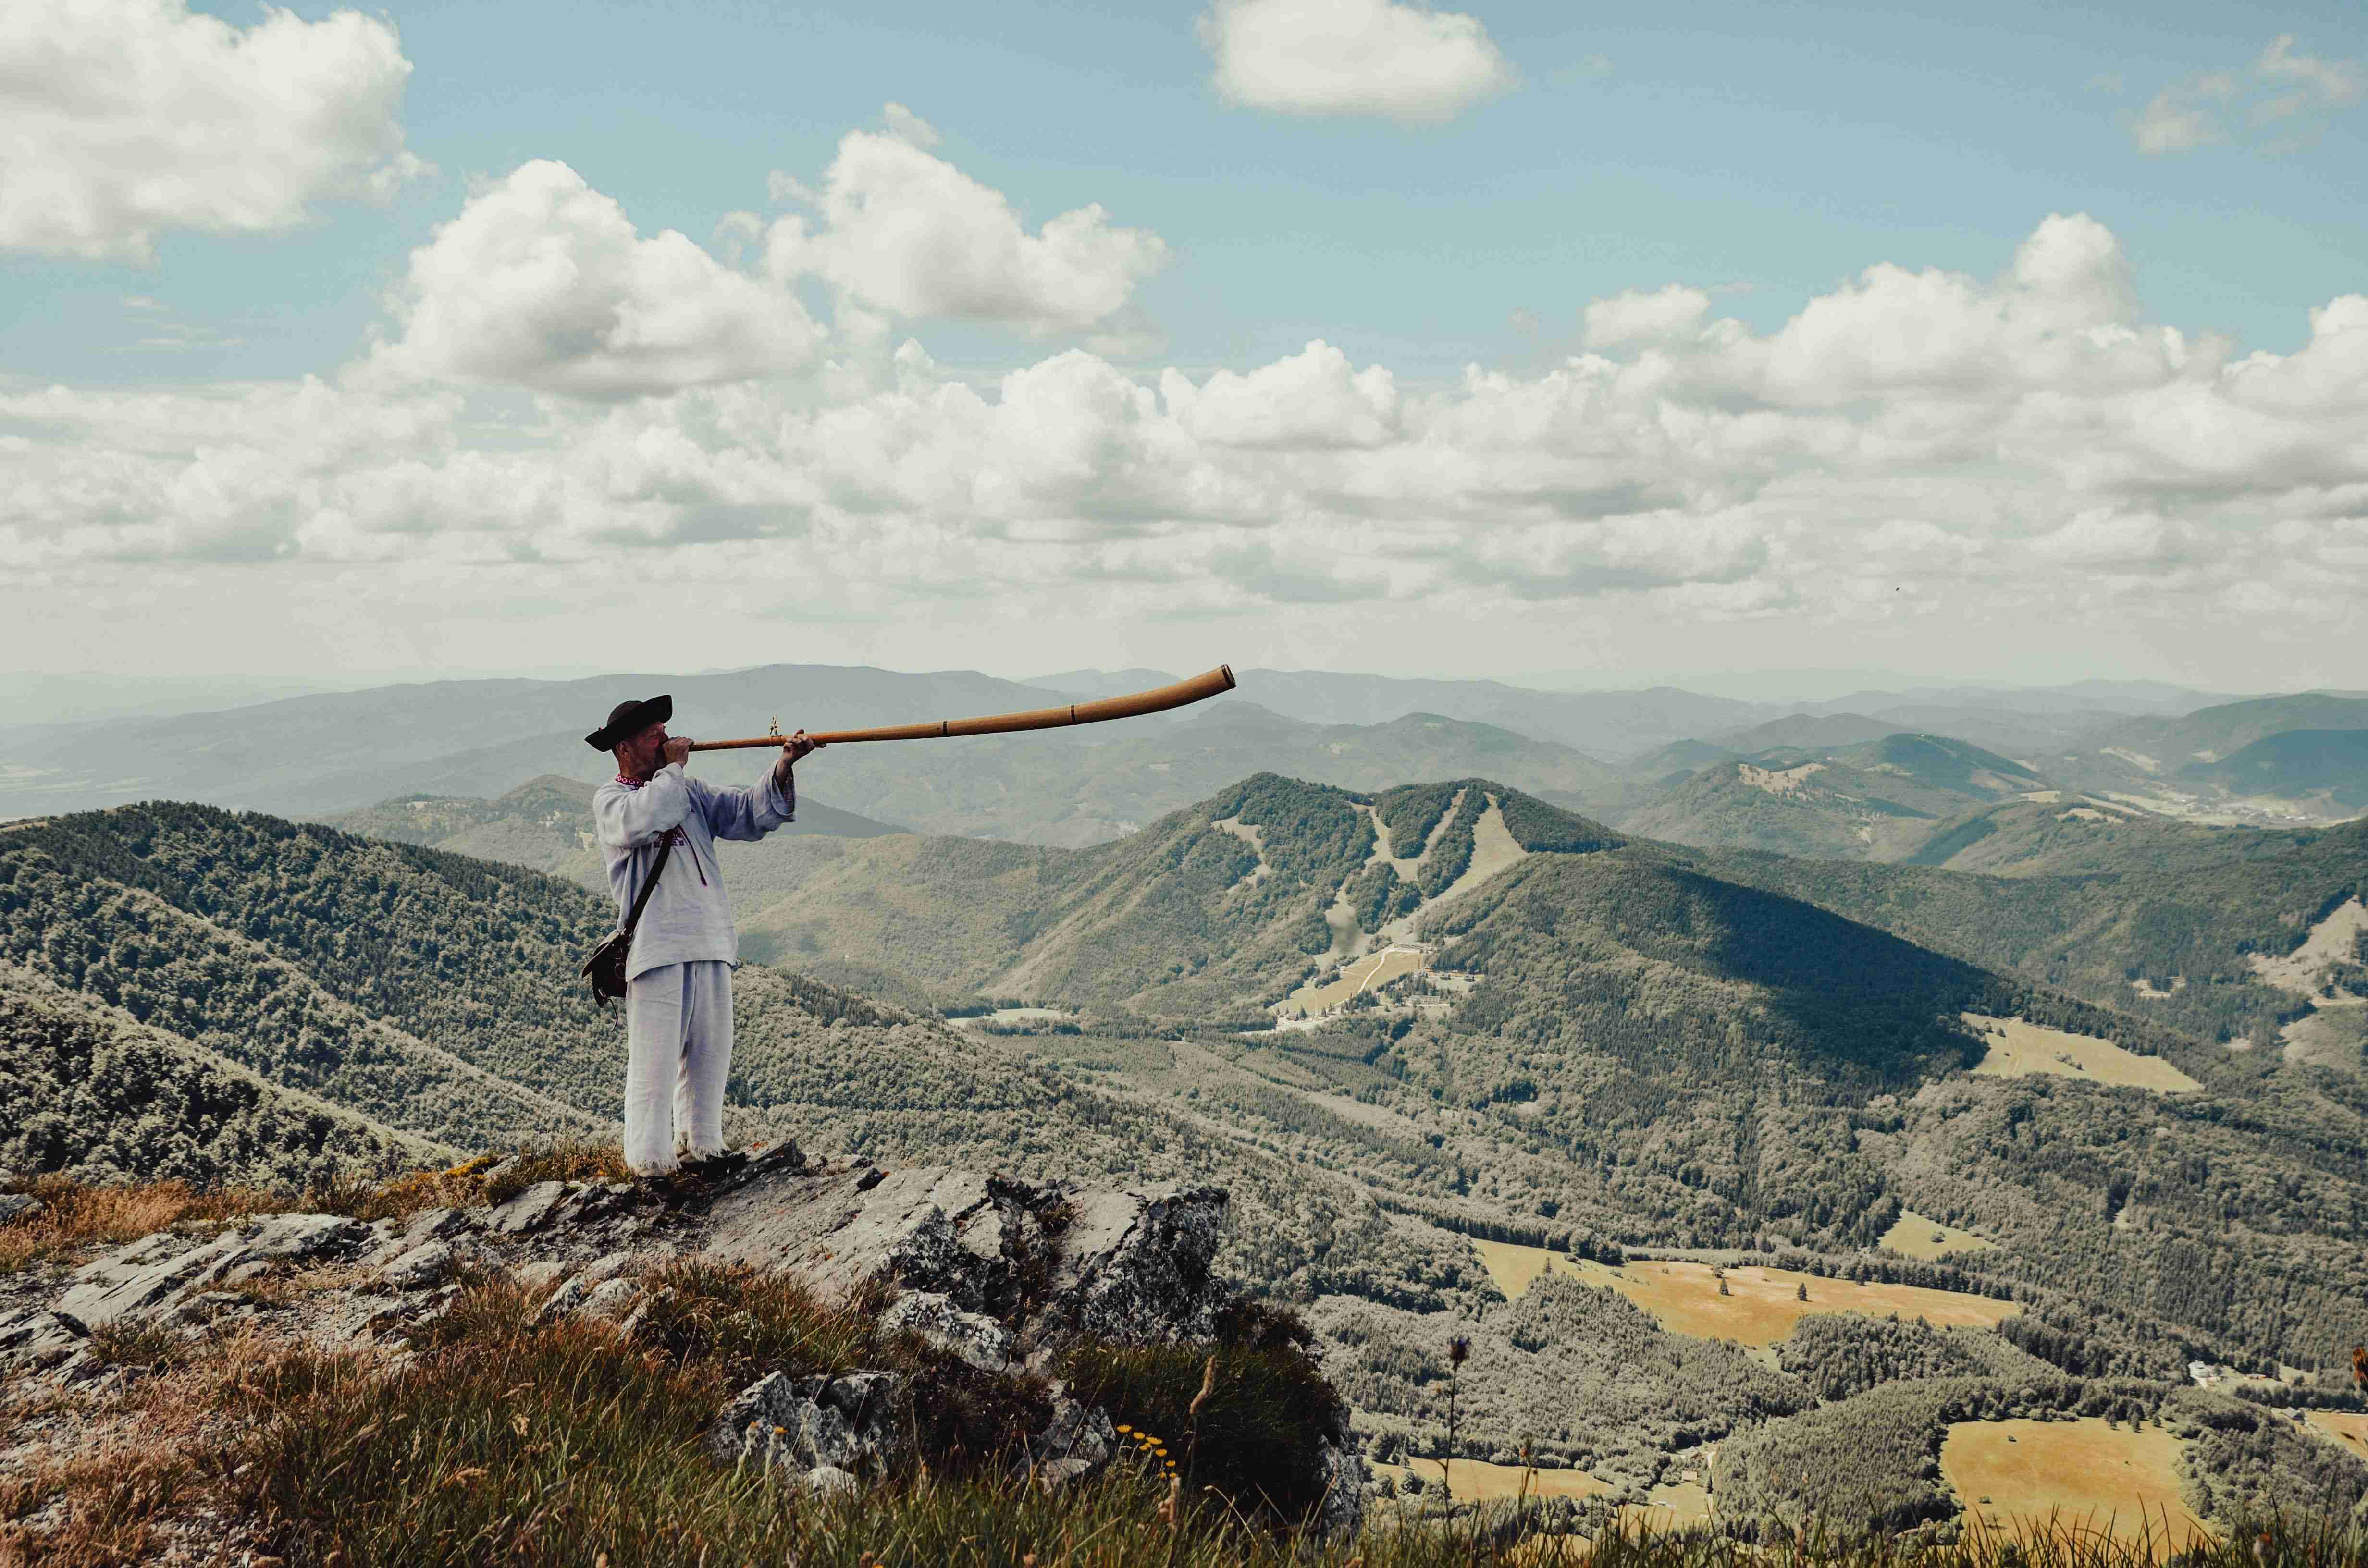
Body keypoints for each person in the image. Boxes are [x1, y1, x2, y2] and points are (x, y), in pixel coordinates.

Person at [584, 694, 823, 1178]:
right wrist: (673, 769)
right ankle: (649, 1160)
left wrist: (783, 766)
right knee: (654, 1062)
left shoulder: (687, 791)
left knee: (710, 1052)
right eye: (654, 735)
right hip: (657, 946)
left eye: (665, 731)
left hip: (709, 938)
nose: (667, 740)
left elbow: (744, 813)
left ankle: (703, 1143)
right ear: (625, 748)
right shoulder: (614, 800)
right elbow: (649, 817)